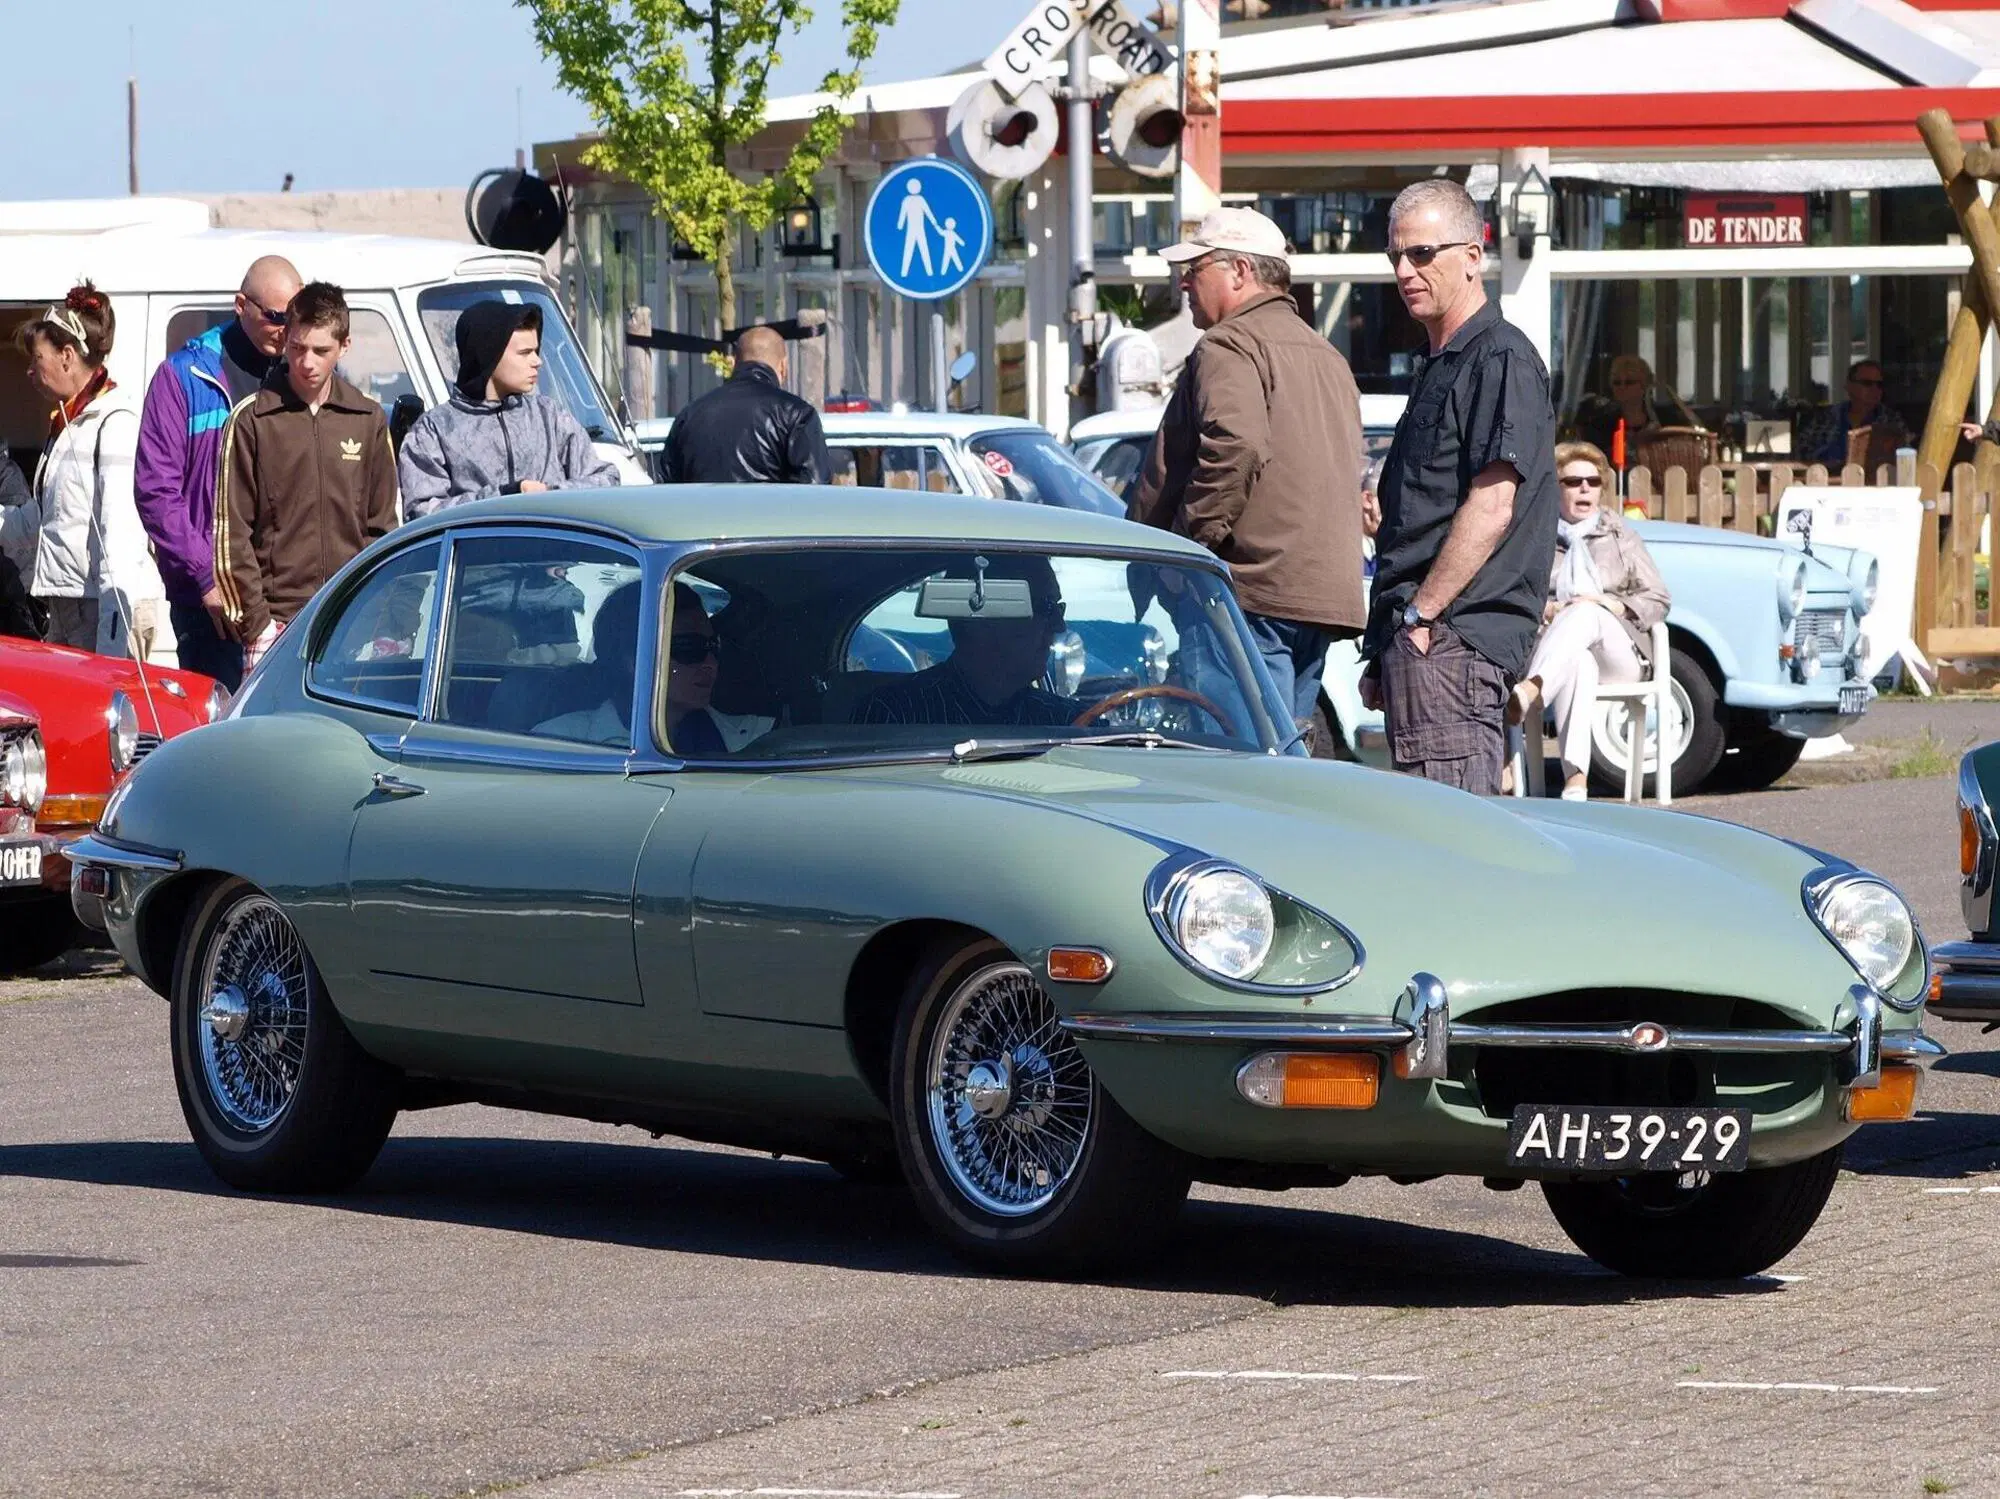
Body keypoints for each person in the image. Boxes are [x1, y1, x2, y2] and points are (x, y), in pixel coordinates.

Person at [1126, 205, 1367, 733]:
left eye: (1196, 268)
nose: (1184, 282)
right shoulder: (1324, 353)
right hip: (1314, 596)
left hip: (1250, 593)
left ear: (1241, 271)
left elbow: (1234, 444)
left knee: (1237, 773)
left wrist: (1188, 551)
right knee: (1282, 770)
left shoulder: (1229, 343)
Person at [1362, 179, 1560, 795]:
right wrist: (1390, 639)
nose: (1404, 270)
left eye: (1422, 253)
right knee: (1427, 852)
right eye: (1396, 255)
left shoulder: (1499, 358)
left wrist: (1421, 618)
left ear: (1473, 256)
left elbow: (1494, 502)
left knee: (1452, 859)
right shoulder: (1441, 361)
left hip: (1453, 645)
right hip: (1427, 646)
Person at [135, 255, 302, 689]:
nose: (288, 331)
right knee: (221, 731)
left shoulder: (301, 374)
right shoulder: (183, 377)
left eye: (297, 318)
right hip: (213, 602)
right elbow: (156, 491)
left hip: (290, 592)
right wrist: (206, 579)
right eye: (277, 317)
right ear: (241, 305)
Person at [213, 283, 397, 670]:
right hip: (276, 626)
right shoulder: (252, 419)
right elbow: (231, 532)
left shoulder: (368, 419)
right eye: (297, 348)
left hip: (351, 624)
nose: (307, 362)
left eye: (321, 351)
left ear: (344, 346)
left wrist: (378, 617)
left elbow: (384, 529)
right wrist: (257, 624)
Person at [1, 283, 163, 659]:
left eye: (36, 359)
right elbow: (44, 520)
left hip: (103, 605)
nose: (29, 371)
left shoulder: (114, 421)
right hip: (71, 602)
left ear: (67, 356)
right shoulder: (70, 423)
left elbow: (120, 534)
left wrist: (112, 639)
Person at [1510, 442, 1670, 801]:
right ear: (1556, 488)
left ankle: (1534, 689)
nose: (1585, 488)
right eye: (1573, 482)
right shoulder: (1537, 539)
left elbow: (1658, 598)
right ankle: (1576, 780)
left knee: (1585, 610)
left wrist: (1610, 604)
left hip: (1620, 654)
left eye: (1593, 481)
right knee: (1579, 661)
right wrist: (1548, 610)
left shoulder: (1620, 536)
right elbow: (1516, 597)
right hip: (1562, 652)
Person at [398, 300, 620, 517]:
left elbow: (607, 479)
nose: (537, 361)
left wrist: (550, 495)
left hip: (555, 553)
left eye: (536, 350)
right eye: (525, 353)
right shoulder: (434, 431)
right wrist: (504, 496)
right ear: (489, 356)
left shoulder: (550, 417)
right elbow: (422, 513)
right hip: (478, 553)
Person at [858, 556, 1074, 728]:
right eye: (1047, 608)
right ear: (982, 619)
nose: (1059, 626)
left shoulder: (1065, 721)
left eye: (1058, 608)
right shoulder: (897, 713)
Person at [659, 326, 832, 485]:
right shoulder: (797, 414)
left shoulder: (689, 415)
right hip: (769, 518)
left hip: (701, 518)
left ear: (734, 363)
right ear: (784, 366)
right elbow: (815, 491)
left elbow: (667, 489)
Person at [1573, 354, 1696, 466]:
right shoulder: (1600, 423)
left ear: (1645, 385)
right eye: (1617, 382)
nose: (1622, 387)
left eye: (1629, 382)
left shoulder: (1667, 418)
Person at [1798, 360, 1911, 468]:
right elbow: (1801, 454)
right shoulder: (1824, 418)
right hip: (1823, 483)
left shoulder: (1892, 421)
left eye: (1879, 385)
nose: (1874, 389)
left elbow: (1906, 459)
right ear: (1849, 386)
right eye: (1867, 383)